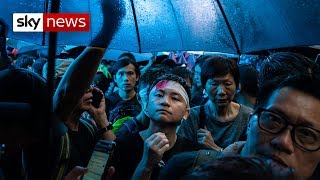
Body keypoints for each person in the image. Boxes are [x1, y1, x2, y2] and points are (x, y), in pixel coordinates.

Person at [160, 75, 320, 179]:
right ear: (250, 122)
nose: (283, 141)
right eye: (273, 119)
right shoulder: (184, 168)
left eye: (306, 134)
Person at [53, 0, 125, 179]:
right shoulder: (50, 126)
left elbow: (119, 161)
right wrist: (109, 27)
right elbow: (67, 92)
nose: (88, 89)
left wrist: (101, 119)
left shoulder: (88, 128)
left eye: (89, 83)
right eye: (82, 84)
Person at [110, 74, 205, 180]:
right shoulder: (122, 145)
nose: (165, 102)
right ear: (146, 105)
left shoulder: (194, 154)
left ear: (186, 113)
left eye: (175, 98)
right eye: (159, 95)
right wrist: (146, 165)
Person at [178, 56, 253, 150]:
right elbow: (180, 158)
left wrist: (215, 148)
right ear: (204, 85)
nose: (221, 91)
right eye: (214, 84)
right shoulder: (192, 117)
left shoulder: (249, 117)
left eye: (227, 84)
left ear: (237, 86)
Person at [115, 67, 167, 137]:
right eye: (148, 95)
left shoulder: (170, 127)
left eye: (160, 95)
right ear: (139, 98)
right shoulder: (126, 133)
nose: (154, 102)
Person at [105, 58, 142, 130]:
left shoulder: (142, 102)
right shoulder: (107, 101)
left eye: (130, 73)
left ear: (137, 77)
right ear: (115, 78)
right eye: (121, 74)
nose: (125, 78)